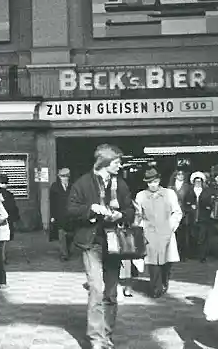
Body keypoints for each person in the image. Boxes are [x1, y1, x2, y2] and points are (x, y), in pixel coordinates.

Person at [66, 144, 136, 349]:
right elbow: (70, 209)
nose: (120, 165)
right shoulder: (83, 183)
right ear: (104, 163)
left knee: (111, 293)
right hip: (91, 243)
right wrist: (90, 209)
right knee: (96, 288)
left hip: (114, 243)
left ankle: (107, 334)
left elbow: (130, 209)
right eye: (116, 162)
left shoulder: (120, 184)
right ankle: (96, 339)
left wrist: (121, 215)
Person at [134, 167, 182, 298]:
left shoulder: (169, 193)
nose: (152, 185)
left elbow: (177, 212)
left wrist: (171, 226)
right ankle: (156, 287)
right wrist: (141, 227)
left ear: (159, 180)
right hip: (149, 233)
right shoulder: (141, 195)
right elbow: (138, 214)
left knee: (166, 261)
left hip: (166, 231)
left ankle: (165, 280)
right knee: (152, 262)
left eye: (154, 181)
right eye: (149, 182)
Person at [187, 171, 213, 262]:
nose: (198, 183)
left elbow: (210, 203)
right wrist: (190, 206)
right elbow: (186, 202)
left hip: (203, 217)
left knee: (203, 237)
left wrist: (207, 207)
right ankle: (193, 254)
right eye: (196, 181)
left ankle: (202, 256)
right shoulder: (190, 191)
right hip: (192, 217)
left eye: (199, 181)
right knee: (193, 235)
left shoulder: (206, 191)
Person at [49, 167, 73, 261]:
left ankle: (67, 250)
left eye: (66, 176)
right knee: (61, 234)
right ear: (59, 177)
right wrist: (52, 216)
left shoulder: (72, 186)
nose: (65, 178)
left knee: (70, 235)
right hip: (59, 214)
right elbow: (52, 202)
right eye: (63, 176)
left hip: (70, 215)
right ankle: (64, 254)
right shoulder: (55, 187)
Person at [0, 174, 20, 263]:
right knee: (4, 240)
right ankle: (3, 257)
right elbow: (12, 207)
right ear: (6, 184)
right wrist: (16, 218)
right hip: (6, 220)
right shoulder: (9, 195)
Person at [170, 168, 192, 257]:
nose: (181, 176)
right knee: (175, 233)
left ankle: (184, 253)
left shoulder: (187, 187)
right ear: (175, 176)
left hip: (184, 212)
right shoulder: (170, 187)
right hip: (173, 213)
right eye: (179, 174)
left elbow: (190, 198)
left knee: (184, 233)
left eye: (182, 174)